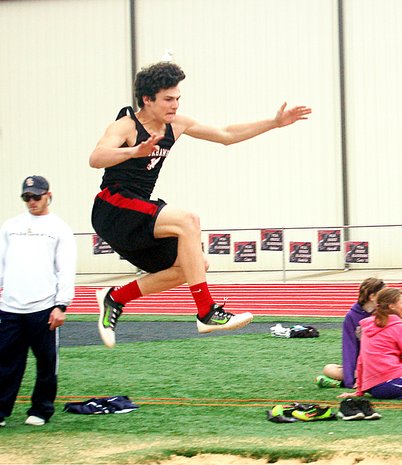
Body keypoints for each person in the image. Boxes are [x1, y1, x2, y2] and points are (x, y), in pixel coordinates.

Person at [89, 61, 311, 348]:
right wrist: (135, 151)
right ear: (147, 99)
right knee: (188, 220)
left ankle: (115, 298)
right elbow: (96, 158)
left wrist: (274, 122)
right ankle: (206, 312)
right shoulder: (126, 126)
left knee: (193, 266)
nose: (175, 105)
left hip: (137, 213)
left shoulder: (177, 124)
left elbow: (226, 135)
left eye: (178, 98)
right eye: (168, 99)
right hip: (113, 208)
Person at [0, 176, 76, 427]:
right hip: (10, 307)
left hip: (43, 308)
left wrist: (61, 304)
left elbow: (65, 269)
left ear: (48, 195)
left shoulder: (59, 229)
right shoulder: (10, 226)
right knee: (7, 363)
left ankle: (41, 410)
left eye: (36, 196)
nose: (32, 201)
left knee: (46, 363)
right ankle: (1, 411)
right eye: (27, 197)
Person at [318, 278, 386, 388]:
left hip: (381, 362)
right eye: (382, 294)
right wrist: (351, 379)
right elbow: (349, 348)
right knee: (329, 369)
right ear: (372, 297)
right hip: (361, 365)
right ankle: (357, 378)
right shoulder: (352, 316)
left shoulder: (384, 314)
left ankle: (342, 382)